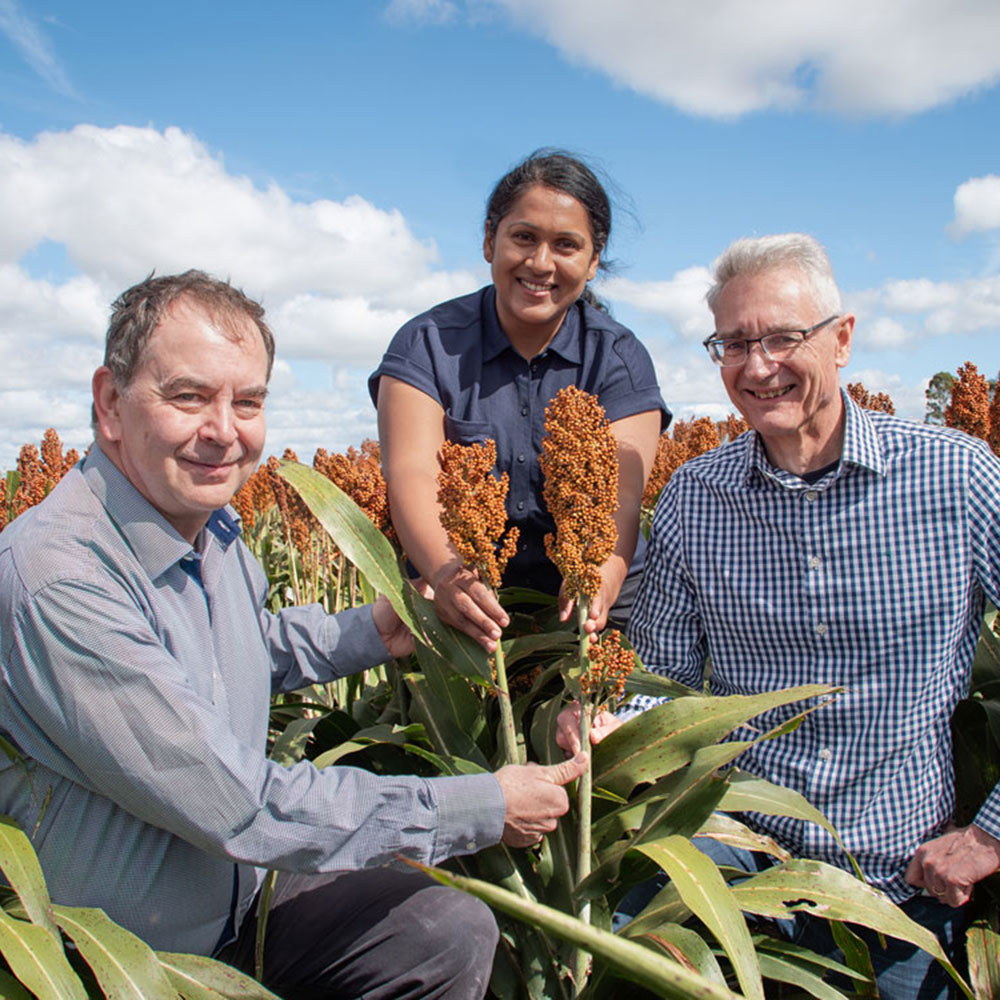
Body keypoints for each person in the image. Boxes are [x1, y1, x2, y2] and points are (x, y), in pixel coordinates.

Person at [0, 270, 590, 1000]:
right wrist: (482, 807)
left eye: (246, 401)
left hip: (241, 897)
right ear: (109, 403)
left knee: (442, 931)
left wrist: (383, 625)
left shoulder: (207, 526)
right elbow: (239, 803)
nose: (224, 430)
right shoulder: (63, 577)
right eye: (189, 396)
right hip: (129, 961)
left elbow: (250, 647)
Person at [558, 234, 1000, 999]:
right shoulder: (697, 496)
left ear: (844, 338)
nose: (756, 366)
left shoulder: (956, 478)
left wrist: (991, 832)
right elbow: (659, 676)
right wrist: (609, 718)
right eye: (733, 344)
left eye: (783, 338)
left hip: (895, 889)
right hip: (730, 864)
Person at [369, 150, 670, 652]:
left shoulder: (619, 358)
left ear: (593, 262)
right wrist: (449, 575)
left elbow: (619, 497)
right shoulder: (427, 344)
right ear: (490, 240)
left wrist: (601, 579)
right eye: (524, 237)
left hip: (592, 606)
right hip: (465, 595)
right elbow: (413, 472)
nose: (540, 263)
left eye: (567, 245)